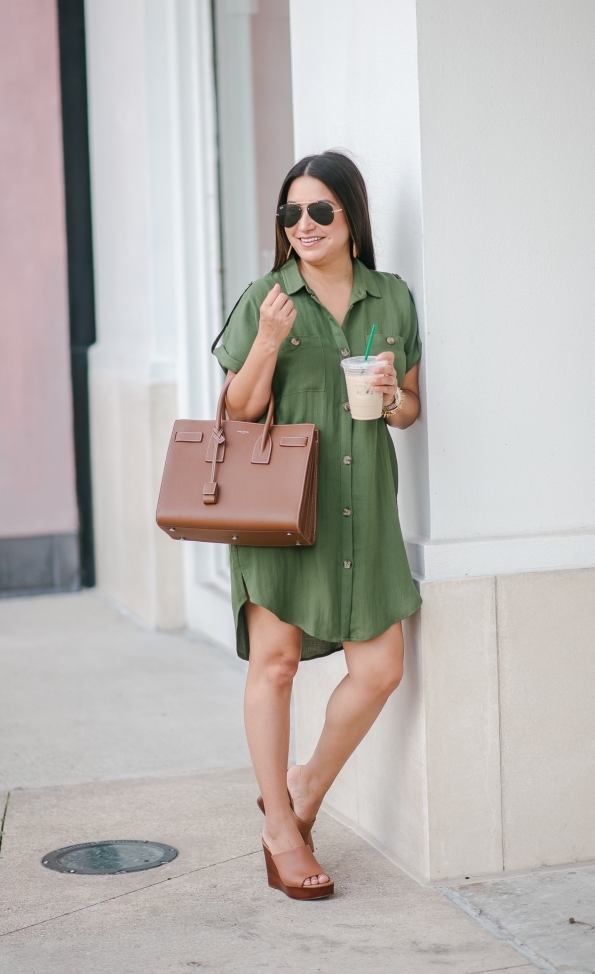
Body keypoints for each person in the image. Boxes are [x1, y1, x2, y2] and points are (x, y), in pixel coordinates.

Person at [213, 151, 422, 900]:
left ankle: (299, 794)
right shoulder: (267, 297)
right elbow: (238, 411)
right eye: (291, 214)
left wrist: (392, 396)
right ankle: (280, 834)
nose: (303, 225)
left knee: (380, 668)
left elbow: (409, 410)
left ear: (352, 219)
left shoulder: (392, 298)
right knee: (274, 666)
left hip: (363, 509)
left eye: (320, 212)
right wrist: (268, 340)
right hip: (283, 510)